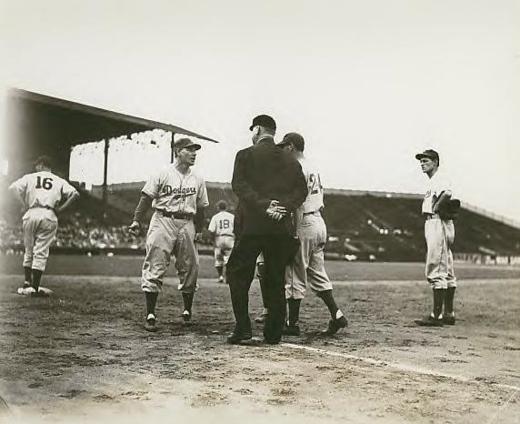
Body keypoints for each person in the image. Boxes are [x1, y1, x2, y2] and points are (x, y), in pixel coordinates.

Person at [226, 114, 308, 345]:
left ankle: (243, 328)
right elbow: (301, 192)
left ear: (258, 129)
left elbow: (239, 186)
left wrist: (264, 205)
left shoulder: (244, 155)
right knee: (274, 278)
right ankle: (273, 333)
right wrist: (283, 208)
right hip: (279, 227)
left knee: (238, 275)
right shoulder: (292, 161)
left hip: (251, 225)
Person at [129, 138, 209, 332]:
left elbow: (201, 207)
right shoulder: (162, 173)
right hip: (163, 219)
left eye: (195, 150)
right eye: (189, 150)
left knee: (191, 266)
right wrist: (136, 220)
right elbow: (146, 198)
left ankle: (187, 311)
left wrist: (199, 230)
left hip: (187, 222)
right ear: (178, 151)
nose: (194, 153)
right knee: (155, 262)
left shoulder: (198, 178)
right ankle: (150, 313)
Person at [277, 133, 348, 336]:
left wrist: (293, 232)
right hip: (319, 221)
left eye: (284, 146)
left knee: (293, 272)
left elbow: (297, 203)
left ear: (291, 147)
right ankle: (337, 314)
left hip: (305, 221)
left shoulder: (296, 167)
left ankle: (292, 324)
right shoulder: (313, 166)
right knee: (317, 272)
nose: (282, 150)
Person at [8, 155, 79, 295]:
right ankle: (34, 287)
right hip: (49, 214)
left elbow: (12, 189)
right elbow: (75, 194)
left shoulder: (29, 177)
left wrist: (23, 204)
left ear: (41, 164)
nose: (35, 167)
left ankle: (27, 282)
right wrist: (61, 209)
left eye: (37, 165)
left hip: (31, 212)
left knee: (28, 249)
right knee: (41, 251)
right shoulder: (59, 180)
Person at [414, 149, 458, 326]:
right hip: (439, 222)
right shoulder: (433, 180)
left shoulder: (439, 178)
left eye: (426, 161)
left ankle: (437, 316)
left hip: (437, 222)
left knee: (436, 266)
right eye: (421, 161)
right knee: (446, 267)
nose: (422, 164)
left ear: (435, 162)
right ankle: (448, 313)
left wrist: (436, 208)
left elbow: (447, 193)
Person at [208, 200, 235, 283]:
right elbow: (237, 229)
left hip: (219, 238)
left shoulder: (216, 217)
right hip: (230, 237)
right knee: (229, 259)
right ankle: (228, 277)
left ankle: (220, 277)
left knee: (218, 259)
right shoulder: (232, 216)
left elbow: (211, 230)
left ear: (218, 207)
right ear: (226, 207)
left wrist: (212, 240)